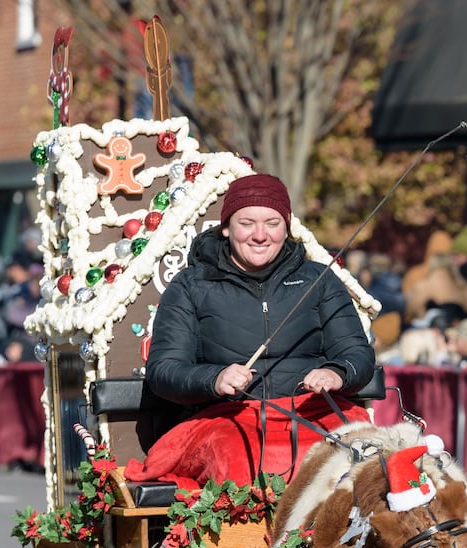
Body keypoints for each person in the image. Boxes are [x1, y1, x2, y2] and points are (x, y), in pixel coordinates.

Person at [132, 173, 376, 488]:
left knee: (359, 449)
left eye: (272, 224)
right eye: (247, 223)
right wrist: (214, 378)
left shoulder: (319, 279)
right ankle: (246, 537)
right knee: (238, 456)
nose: (260, 235)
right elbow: (164, 370)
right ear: (226, 227)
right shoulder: (190, 286)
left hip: (311, 411)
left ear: (286, 229)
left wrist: (337, 372)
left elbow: (357, 353)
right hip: (227, 417)